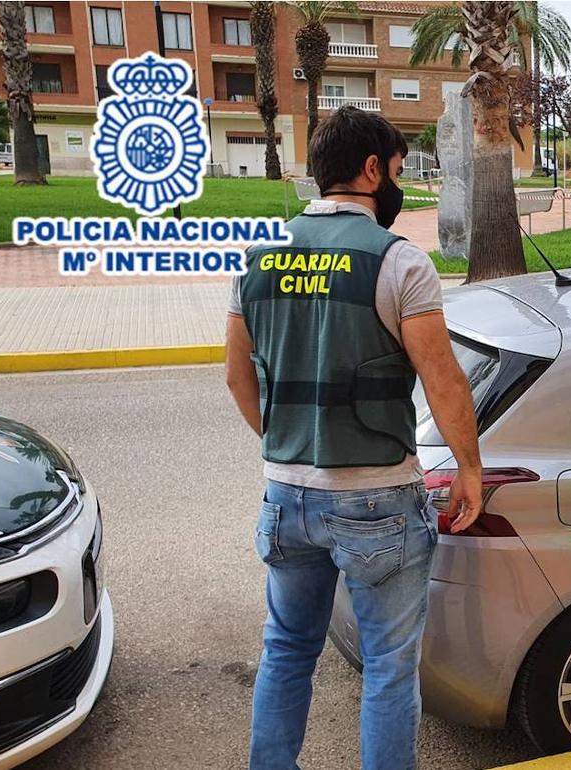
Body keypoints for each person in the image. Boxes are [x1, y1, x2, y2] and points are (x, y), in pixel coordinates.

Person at [224, 106, 483, 770]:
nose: (398, 183)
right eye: (398, 170)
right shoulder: (400, 262)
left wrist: (287, 440)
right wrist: (470, 471)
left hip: (286, 494)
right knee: (390, 669)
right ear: (371, 170)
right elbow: (446, 383)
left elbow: (237, 378)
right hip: (377, 501)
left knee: (285, 648)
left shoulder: (257, 258)